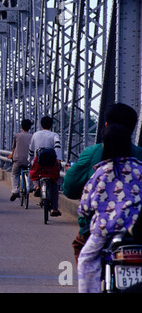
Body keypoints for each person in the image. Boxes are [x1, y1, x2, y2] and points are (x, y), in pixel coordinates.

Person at [63, 103, 142, 262]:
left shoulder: (94, 158)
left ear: (105, 126)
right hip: (137, 228)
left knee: (83, 255)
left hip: (100, 229)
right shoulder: (139, 157)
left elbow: (70, 189)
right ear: (133, 129)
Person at [77, 123, 142, 293]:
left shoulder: (101, 172)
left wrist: (85, 213)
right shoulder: (140, 169)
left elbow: (84, 206)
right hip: (137, 229)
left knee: (86, 261)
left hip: (106, 230)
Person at [28, 116, 62, 216]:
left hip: (39, 162)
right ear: (51, 125)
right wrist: (58, 159)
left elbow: (31, 150)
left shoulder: (35, 134)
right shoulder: (54, 135)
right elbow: (57, 146)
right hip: (51, 163)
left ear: (41, 125)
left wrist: (29, 160)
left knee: (33, 174)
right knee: (54, 182)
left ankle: (37, 187)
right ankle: (55, 209)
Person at [8, 119, 33, 201]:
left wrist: (12, 156)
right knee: (31, 172)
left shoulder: (17, 135)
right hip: (29, 160)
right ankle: (31, 186)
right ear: (30, 127)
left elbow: (13, 148)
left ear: (21, 126)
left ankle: (15, 190)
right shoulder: (32, 136)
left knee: (14, 174)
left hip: (18, 160)